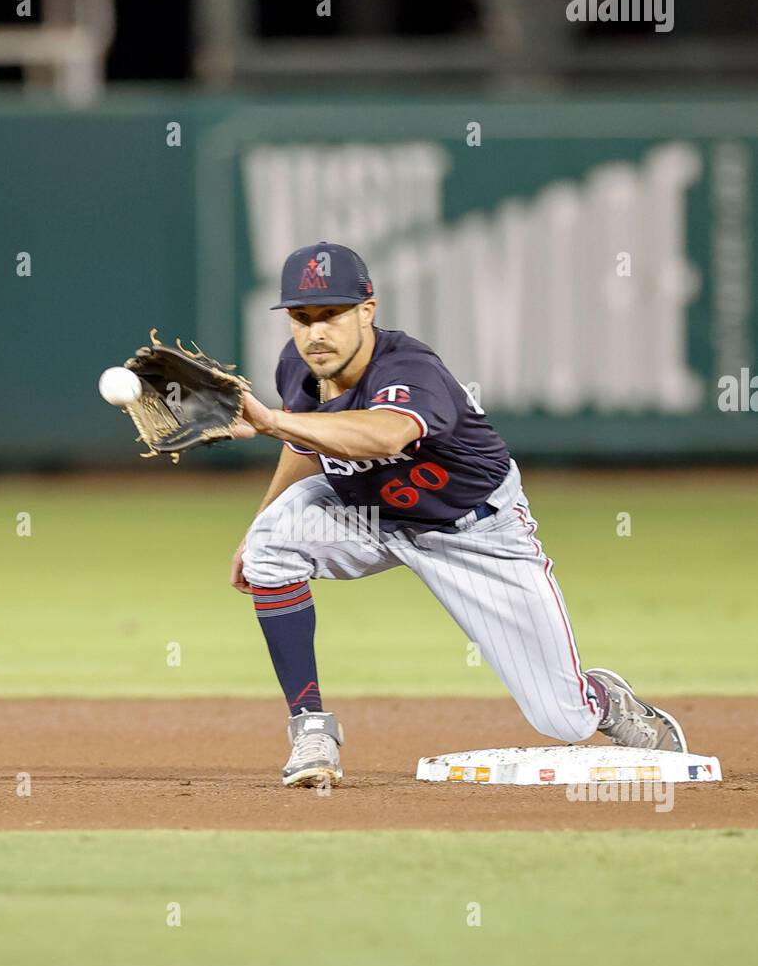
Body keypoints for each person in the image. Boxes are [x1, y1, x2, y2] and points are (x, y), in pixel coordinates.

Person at [230, 241, 687, 787]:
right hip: (370, 517)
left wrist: (275, 422)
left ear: (367, 311)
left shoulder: (409, 367)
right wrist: (256, 531)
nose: (315, 332)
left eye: (331, 314)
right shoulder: (298, 368)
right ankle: (311, 729)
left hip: (476, 531)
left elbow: (385, 434)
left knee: (563, 719)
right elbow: (306, 448)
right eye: (301, 318)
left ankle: (605, 701)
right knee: (271, 545)